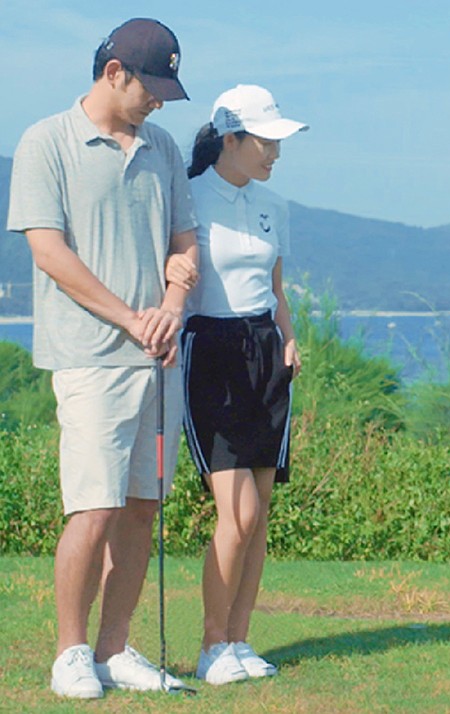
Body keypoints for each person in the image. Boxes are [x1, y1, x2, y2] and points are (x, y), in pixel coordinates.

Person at [6, 18, 197, 698]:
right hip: (91, 358)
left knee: (142, 507)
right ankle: (71, 653)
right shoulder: (46, 141)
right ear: (115, 73)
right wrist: (131, 318)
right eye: (153, 86)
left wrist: (172, 305)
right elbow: (48, 252)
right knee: (93, 509)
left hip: (159, 359)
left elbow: (184, 242)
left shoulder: (162, 147)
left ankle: (115, 649)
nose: (160, 100)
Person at [172, 84, 306, 685]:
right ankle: (211, 646)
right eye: (265, 141)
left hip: (266, 354)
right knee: (239, 512)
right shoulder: (187, 198)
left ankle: (239, 639)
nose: (275, 152)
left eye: (278, 142)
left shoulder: (273, 205)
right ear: (230, 138)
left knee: (261, 510)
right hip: (210, 352)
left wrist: (289, 338)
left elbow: (275, 290)